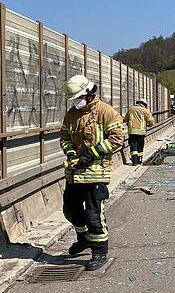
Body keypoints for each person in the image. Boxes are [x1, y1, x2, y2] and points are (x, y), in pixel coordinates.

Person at [59, 75, 124, 271]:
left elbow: (117, 138)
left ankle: (99, 251)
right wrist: (71, 153)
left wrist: (92, 153)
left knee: (94, 214)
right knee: (70, 210)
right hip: (75, 172)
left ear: (89, 94)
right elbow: (65, 137)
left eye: (78, 97)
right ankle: (84, 238)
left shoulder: (105, 112)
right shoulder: (71, 114)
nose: (75, 101)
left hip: (96, 173)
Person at [125, 99, 154, 165]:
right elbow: (151, 120)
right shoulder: (145, 110)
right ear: (144, 104)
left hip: (132, 131)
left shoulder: (131, 109)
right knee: (140, 146)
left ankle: (134, 161)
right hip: (141, 132)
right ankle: (139, 160)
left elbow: (125, 119)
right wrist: (150, 125)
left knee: (133, 146)